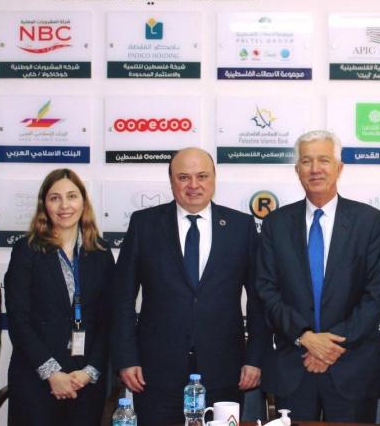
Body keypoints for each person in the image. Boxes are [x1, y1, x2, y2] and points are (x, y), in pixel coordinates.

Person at [111, 147, 266, 426]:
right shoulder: (144, 224)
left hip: (224, 371)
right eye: (183, 177)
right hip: (155, 373)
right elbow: (122, 298)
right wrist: (126, 358)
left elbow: (258, 300)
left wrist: (254, 358)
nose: (193, 185)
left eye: (202, 176)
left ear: (214, 178)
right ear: (171, 181)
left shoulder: (241, 226)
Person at [256, 130, 380, 422]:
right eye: (306, 161)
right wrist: (305, 338)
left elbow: (375, 294)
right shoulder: (275, 224)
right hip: (294, 367)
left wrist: (329, 346)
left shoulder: (369, 221)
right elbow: (266, 290)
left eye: (324, 160)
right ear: (297, 170)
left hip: (351, 368)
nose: (315, 169)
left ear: (339, 167)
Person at [5, 169, 114, 425]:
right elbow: (18, 320)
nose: (65, 206)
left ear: (83, 202)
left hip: (85, 381)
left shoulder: (101, 252)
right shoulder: (26, 250)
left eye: (72, 196)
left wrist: (90, 371)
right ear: (44, 204)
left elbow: (109, 319)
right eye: (55, 198)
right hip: (36, 380)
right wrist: (52, 373)